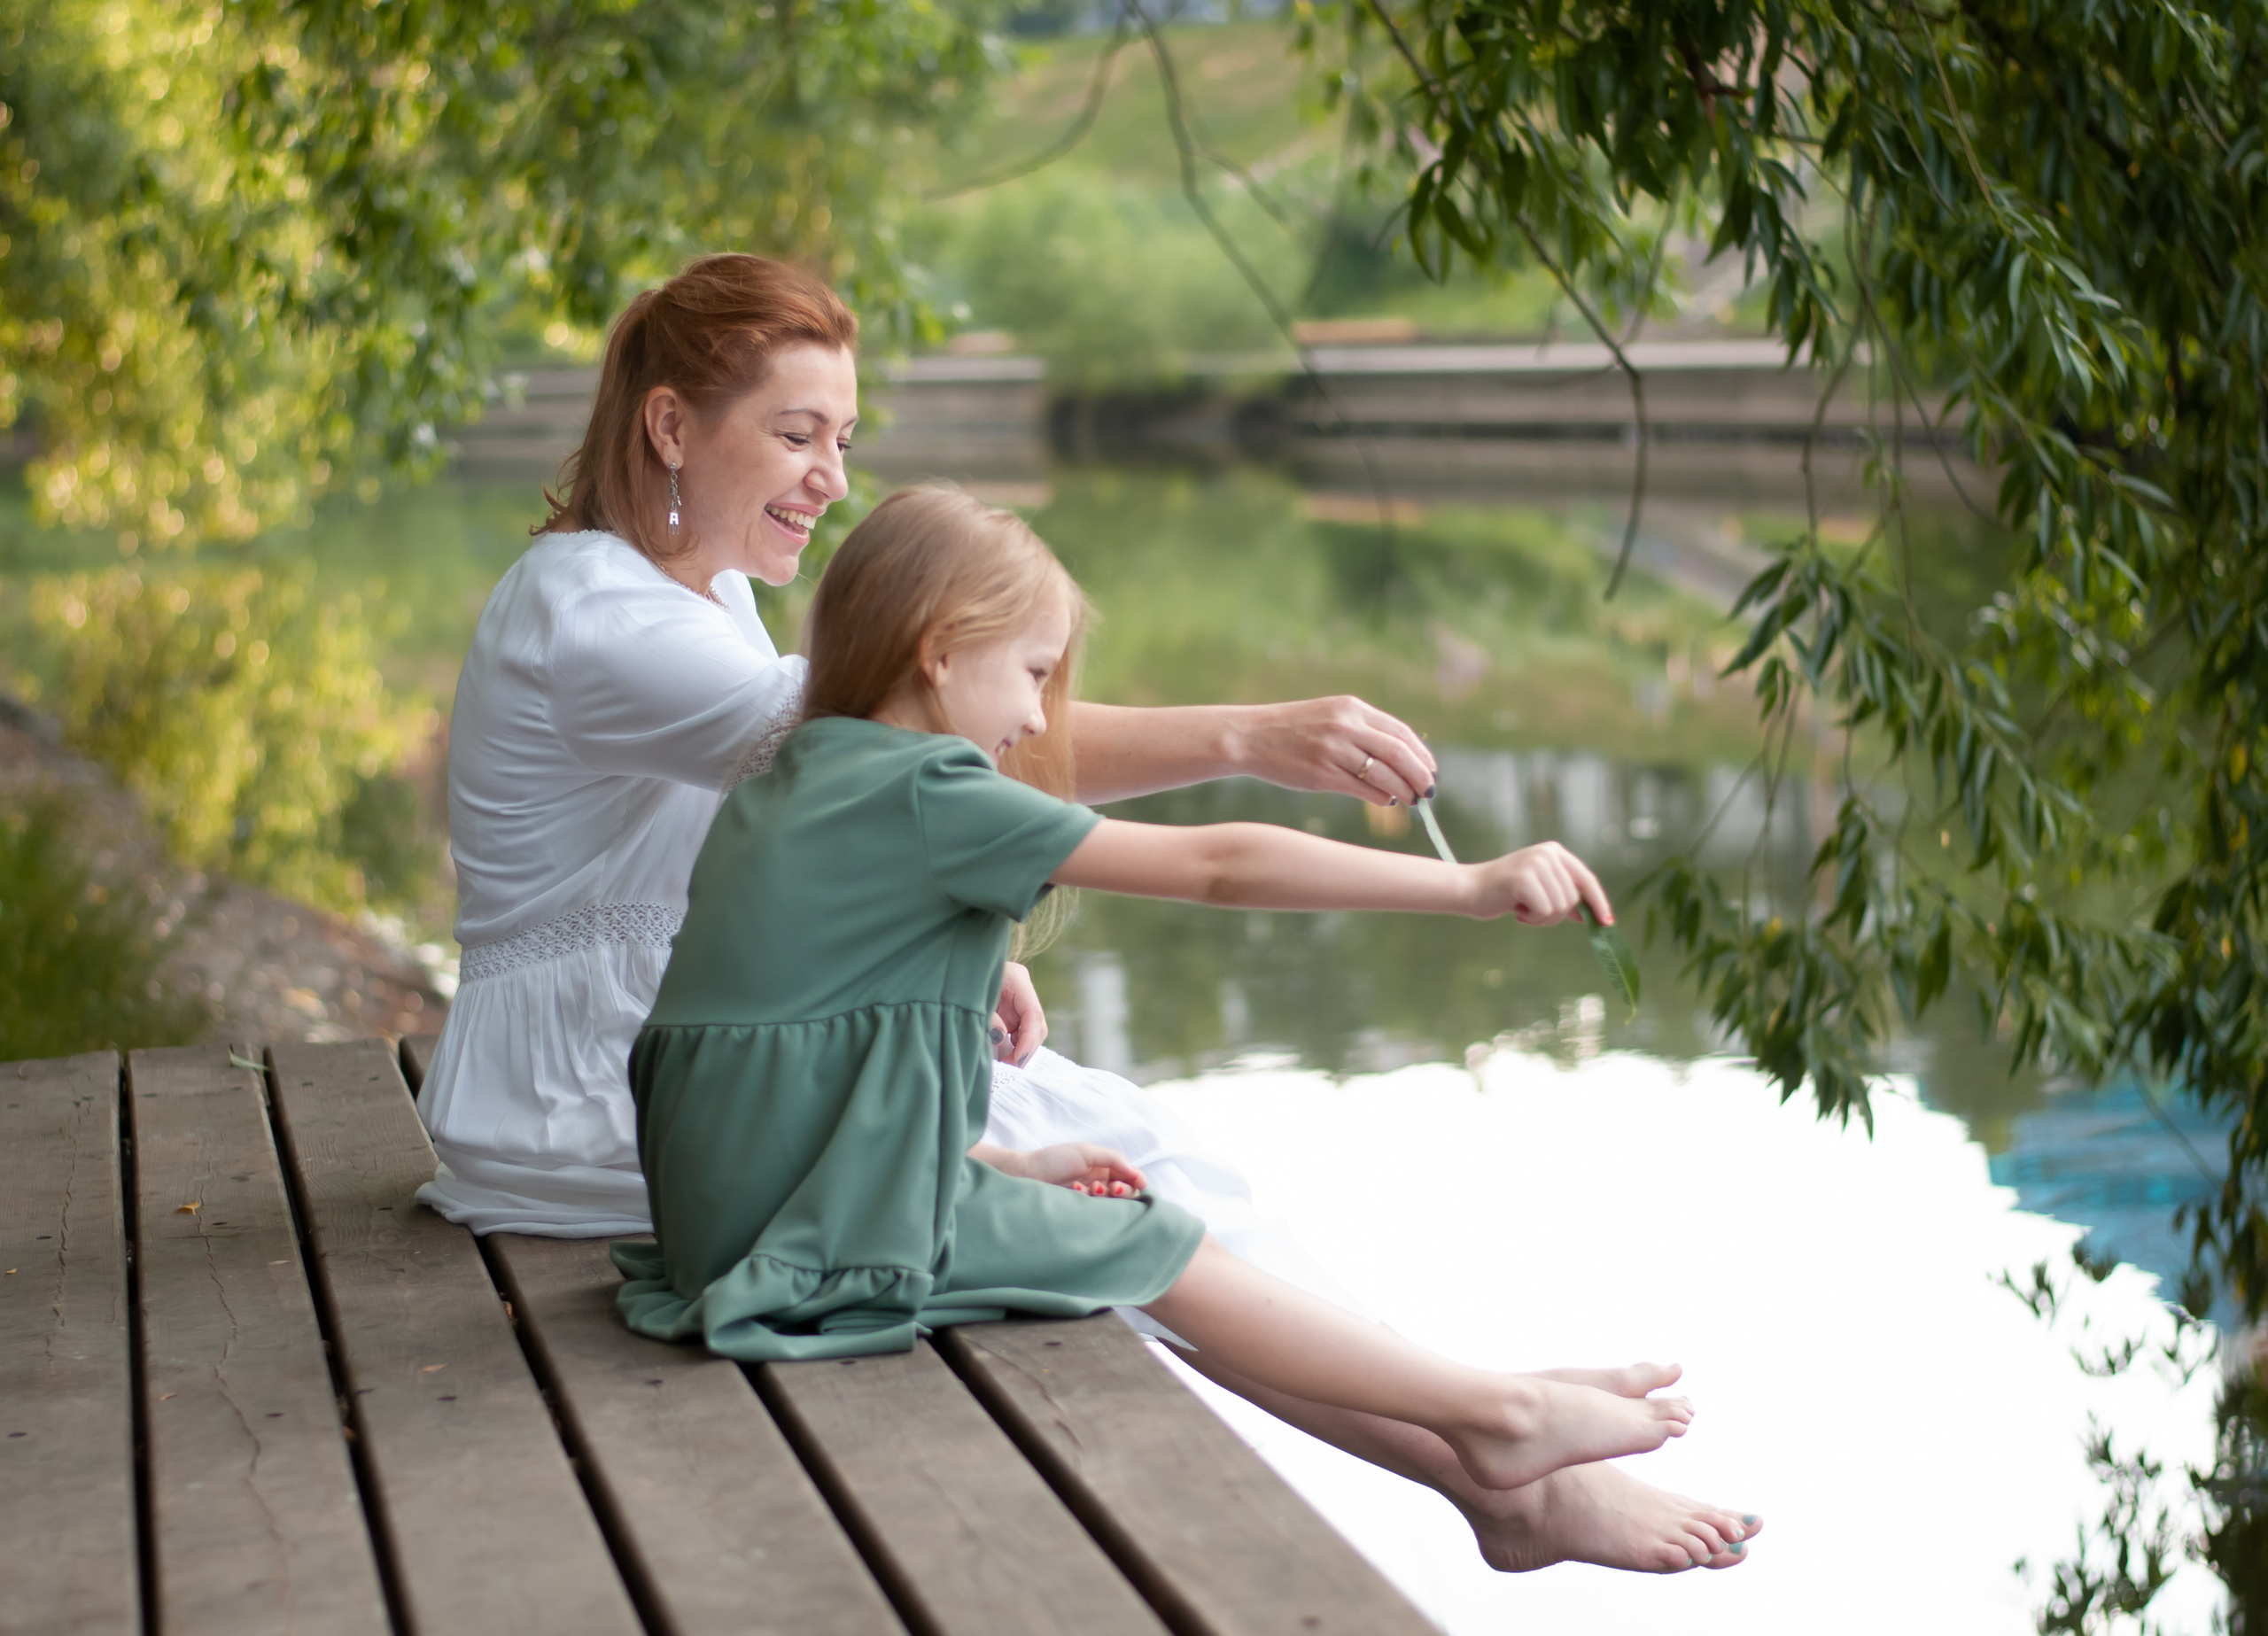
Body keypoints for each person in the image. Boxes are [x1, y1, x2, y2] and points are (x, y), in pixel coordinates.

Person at [416, 251, 1755, 1573]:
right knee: (1136, 1167)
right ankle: (1486, 1450)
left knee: (1125, 1152)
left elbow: (787, 830)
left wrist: (942, 944)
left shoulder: (688, 597)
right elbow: (880, 740)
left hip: (690, 1047)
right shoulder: (597, 614)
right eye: (796, 433)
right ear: (670, 425)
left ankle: (1480, 1453)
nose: (831, 474)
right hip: (581, 1086)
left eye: (843, 436)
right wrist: (1253, 732)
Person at [618, 485, 1759, 1571]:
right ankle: (1495, 1416)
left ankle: (1475, 1410)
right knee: (1160, 1246)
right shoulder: (928, 790)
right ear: (940, 650)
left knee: (1120, 1218)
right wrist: (1464, 888)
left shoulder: (807, 773)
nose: (1033, 718)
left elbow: (807, 1050)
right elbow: (1217, 866)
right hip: (800, 1237)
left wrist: (1001, 1160)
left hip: (737, 1205)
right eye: (1031, 675)